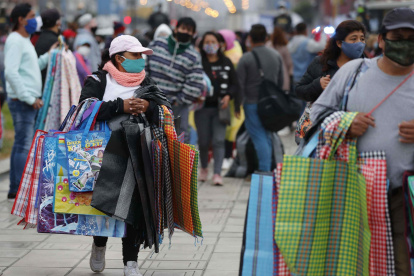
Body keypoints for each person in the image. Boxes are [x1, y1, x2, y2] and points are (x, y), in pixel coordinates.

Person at [310, 8, 414, 275]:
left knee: (402, 267)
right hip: (351, 191)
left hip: (405, 198)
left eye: (411, 38)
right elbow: (316, 117)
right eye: (398, 37)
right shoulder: (354, 72)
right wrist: (344, 124)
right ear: (381, 40)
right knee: (351, 265)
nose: (405, 43)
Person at [79, 35, 162, 276]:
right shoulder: (98, 80)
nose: (141, 60)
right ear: (119, 58)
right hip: (103, 154)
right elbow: (84, 109)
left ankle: (130, 262)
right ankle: (99, 245)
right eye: (136, 55)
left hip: (137, 153)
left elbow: (162, 108)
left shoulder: (147, 81)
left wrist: (148, 107)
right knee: (104, 204)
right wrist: (121, 106)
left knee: (134, 207)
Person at [4, 3, 55, 200]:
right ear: (21, 19)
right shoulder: (16, 41)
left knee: (20, 143)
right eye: (32, 16)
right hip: (22, 101)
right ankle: (17, 189)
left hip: (26, 99)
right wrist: (28, 97)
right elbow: (11, 72)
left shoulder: (25, 41)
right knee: (23, 143)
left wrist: (50, 54)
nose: (36, 20)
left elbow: (32, 66)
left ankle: (15, 189)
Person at [295, 20, 366, 142]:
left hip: (356, 132)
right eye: (353, 39)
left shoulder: (367, 67)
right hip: (322, 132)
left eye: (362, 39)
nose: (359, 43)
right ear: (339, 43)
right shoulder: (321, 63)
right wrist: (317, 85)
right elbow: (299, 90)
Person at [146, 17, 204, 143]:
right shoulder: (157, 44)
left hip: (177, 105)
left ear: (193, 34)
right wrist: (148, 92)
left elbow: (195, 82)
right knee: (151, 136)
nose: (186, 32)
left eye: (189, 30)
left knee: (179, 138)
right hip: (152, 101)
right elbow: (145, 67)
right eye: (183, 28)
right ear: (176, 29)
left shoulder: (193, 55)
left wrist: (178, 101)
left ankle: (177, 163)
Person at [237, 24, 284, 172]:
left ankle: (265, 172)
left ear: (250, 38)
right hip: (271, 104)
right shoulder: (276, 55)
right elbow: (281, 81)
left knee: (259, 138)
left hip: (252, 103)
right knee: (268, 136)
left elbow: (240, 84)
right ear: (266, 38)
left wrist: (237, 104)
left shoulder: (246, 58)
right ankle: (270, 170)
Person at [195, 31, 238, 185]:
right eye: (207, 42)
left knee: (219, 141)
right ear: (202, 45)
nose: (211, 45)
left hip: (221, 108)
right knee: (204, 141)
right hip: (202, 108)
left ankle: (217, 173)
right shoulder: (198, 62)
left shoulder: (226, 62)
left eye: (214, 42)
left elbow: (235, 84)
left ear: (220, 44)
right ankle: (204, 167)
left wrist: (228, 96)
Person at [217, 29, 244, 169]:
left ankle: (227, 156)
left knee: (230, 128)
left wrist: (238, 103)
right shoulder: (214, 56)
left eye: (222, 41)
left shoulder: (235, 57)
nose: (219, 44)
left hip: (232, 99)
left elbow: (237, 83)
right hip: (217, 98)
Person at [35, 8, 61, 87]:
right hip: (50, 87)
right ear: (57, 22)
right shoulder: (56, 42)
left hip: (40, 84)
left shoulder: (40, 38)